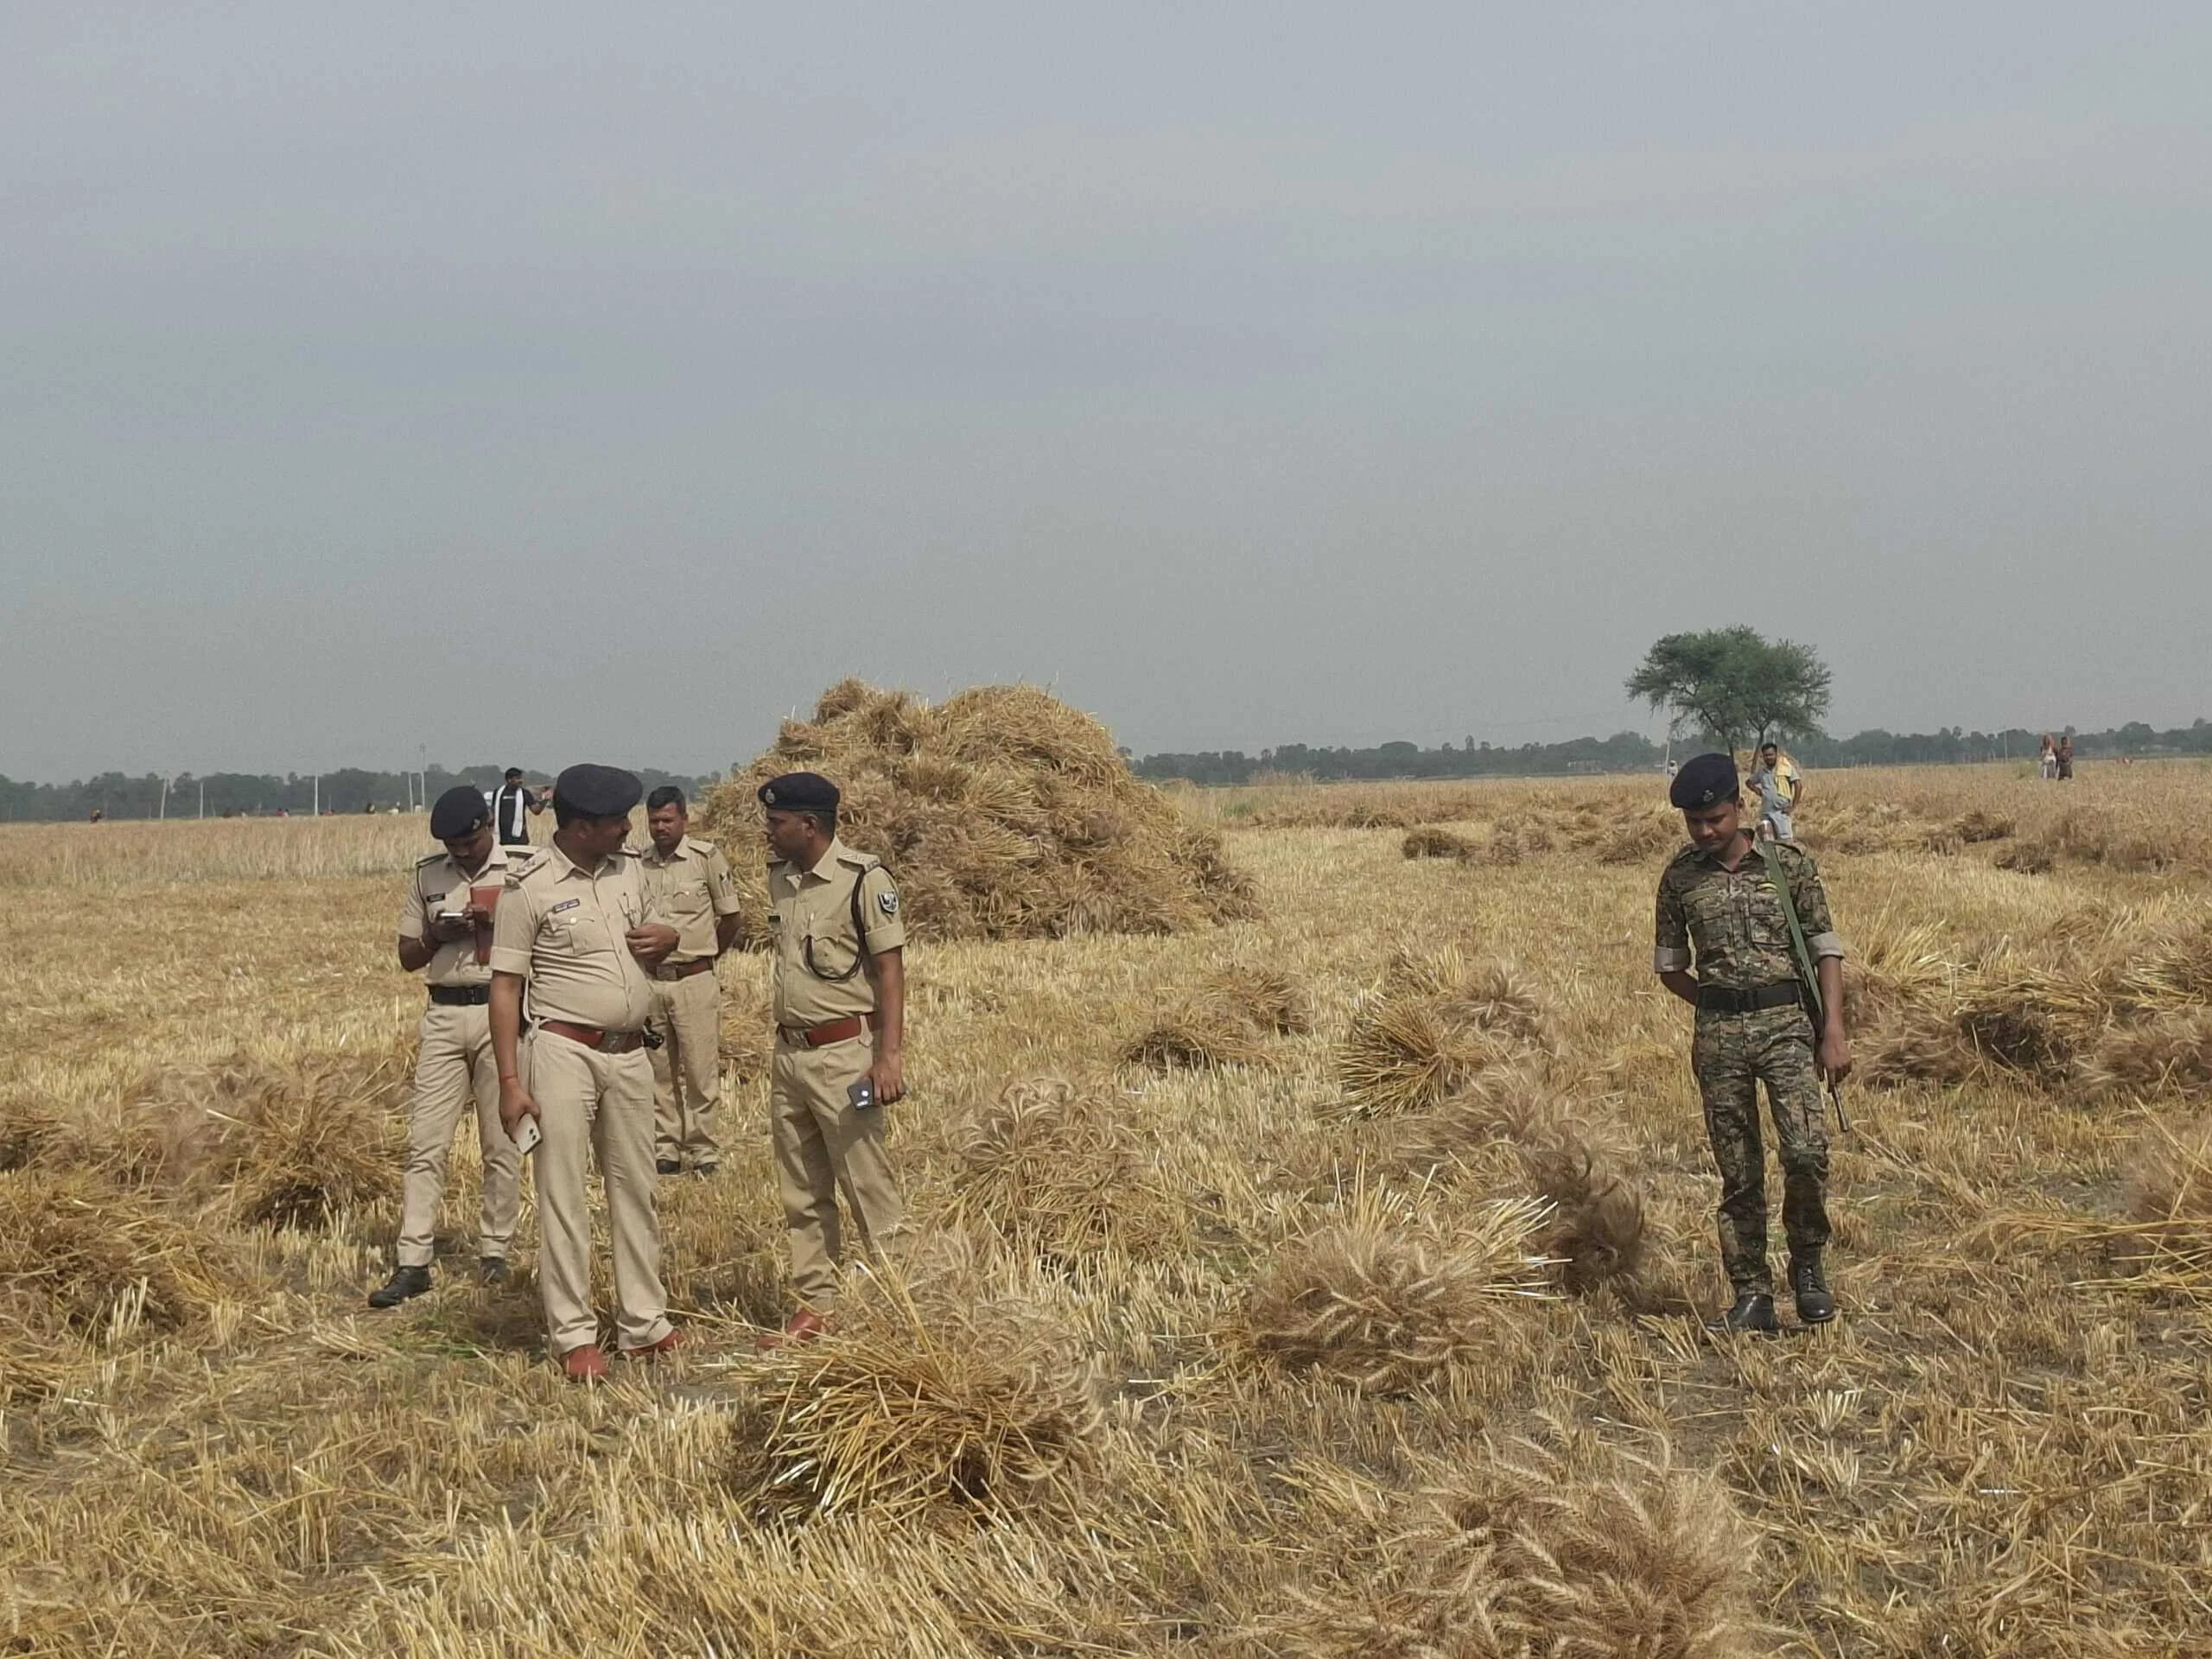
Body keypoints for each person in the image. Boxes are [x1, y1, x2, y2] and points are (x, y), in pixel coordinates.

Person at [489, 764, 682, 1380]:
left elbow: (656, 930)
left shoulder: (630, 870)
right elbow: (505, 987)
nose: (629, 828)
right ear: (578, 827)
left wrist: (668, 937)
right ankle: (574, 1336)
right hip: (562, 1053)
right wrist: (510, 1083)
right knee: (565, 1193)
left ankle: (644, 1324)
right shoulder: (529, 887)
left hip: (629, 1053)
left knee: (637, 1189)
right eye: (614, 822)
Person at [1653, 753, 1850, 1333]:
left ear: (1739, 807)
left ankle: (1808, 1266)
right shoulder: (1680, 878)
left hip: (1788, 1025)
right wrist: (1718, 1006)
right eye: (1695, 823)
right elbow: (1669, 967)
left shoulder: (1789, 866)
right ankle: (1752, 1294)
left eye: (1714, 818)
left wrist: (1832, 1030)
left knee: (1806, 1153)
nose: (1706, 831)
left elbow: (1826, 949)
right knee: (1738, 1171)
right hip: (1719, 1039)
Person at [756, 772, 907, 1347]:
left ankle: (903, 1301)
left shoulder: (862, 880)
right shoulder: (781, 880)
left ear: (809, 825)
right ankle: (816, 1304)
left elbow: (890, 972)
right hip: (789, 1054)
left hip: (846, 1055)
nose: (768, 833)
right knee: (802, 1189)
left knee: (869, 1186)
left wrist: (887, 1057)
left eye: (776, 823)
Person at [368, 788, 526, 1307]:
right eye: (453, 846)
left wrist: (494, 924)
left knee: (501, 1142)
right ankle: (413, 1261)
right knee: (424, 1144)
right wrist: (437, 935)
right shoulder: (428, 875)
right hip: (442, 1013)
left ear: (489, 828)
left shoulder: (523, 869)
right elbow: (407, 957)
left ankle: (496, 1250)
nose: (461, 853)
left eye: (469, 842)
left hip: (499, 1012)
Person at [636, 786, 744, 1176]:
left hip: (694, 980)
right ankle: (665, 1148)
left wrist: (709, 955)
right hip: (651, 982)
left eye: (667, 820)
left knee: (700, 1070)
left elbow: (731, 917)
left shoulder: (706, 859)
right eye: (654, 821)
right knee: (658, 1071)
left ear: (685, 819)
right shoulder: (637, 863)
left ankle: (703, 1151)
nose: (660, 828)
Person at [1745, 741, 1802, 842]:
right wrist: (1757, 791)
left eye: (1771, 755)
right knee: (1767, 841)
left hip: (1781, 811)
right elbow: (1749, 782)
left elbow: (1798, 785)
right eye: (1766, 755)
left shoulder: (1786, 768)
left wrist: (1793, 806)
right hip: (1766, 811)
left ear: (1776, 754)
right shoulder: (1762, 771)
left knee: (1785, 841)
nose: (1768, 757)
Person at [493, 767, 546, 848]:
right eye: (518, 778)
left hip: (519, 838)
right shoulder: (498, 792)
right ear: (509, 780)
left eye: (521, 778)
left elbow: (536, 811)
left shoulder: (525, 793)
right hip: (501, 837)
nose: (521, 781)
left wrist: (544, 801)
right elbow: (493, 811)